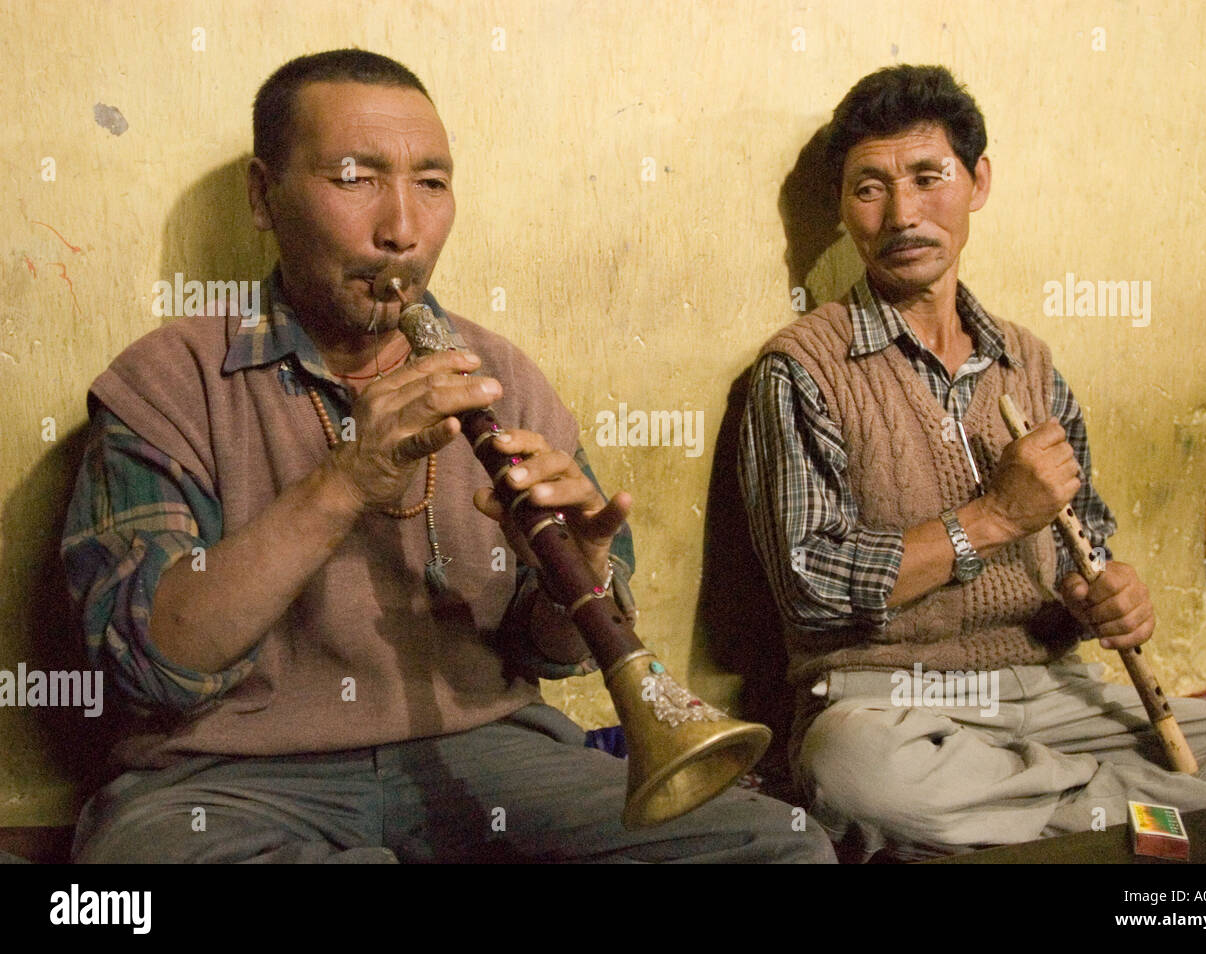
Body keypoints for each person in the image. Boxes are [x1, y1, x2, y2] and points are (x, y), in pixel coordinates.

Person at [61, 49, 834, 864]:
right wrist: (348, 478)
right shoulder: (164, 382)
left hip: (483, 752)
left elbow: (552, 655)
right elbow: (149, 664)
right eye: (355, 178)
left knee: (774, 845)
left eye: (431, 183)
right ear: (263, 195)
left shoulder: (500, 374)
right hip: (230, 779)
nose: (401, 228)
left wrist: (584, 572)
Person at [738, 64, 1206, 860]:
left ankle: (1075, 805)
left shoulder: (1028, 363)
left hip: (1052, 691)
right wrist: (994, 516)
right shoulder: (801, 368)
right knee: (856, 775)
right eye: (870, 188)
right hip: (897, 708)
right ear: (841, 209)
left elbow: (1087, 532)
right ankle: (1163, 810)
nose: (903, 213)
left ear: (977, 183)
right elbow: (812, 591)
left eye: (929, 177)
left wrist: (1105, 595)